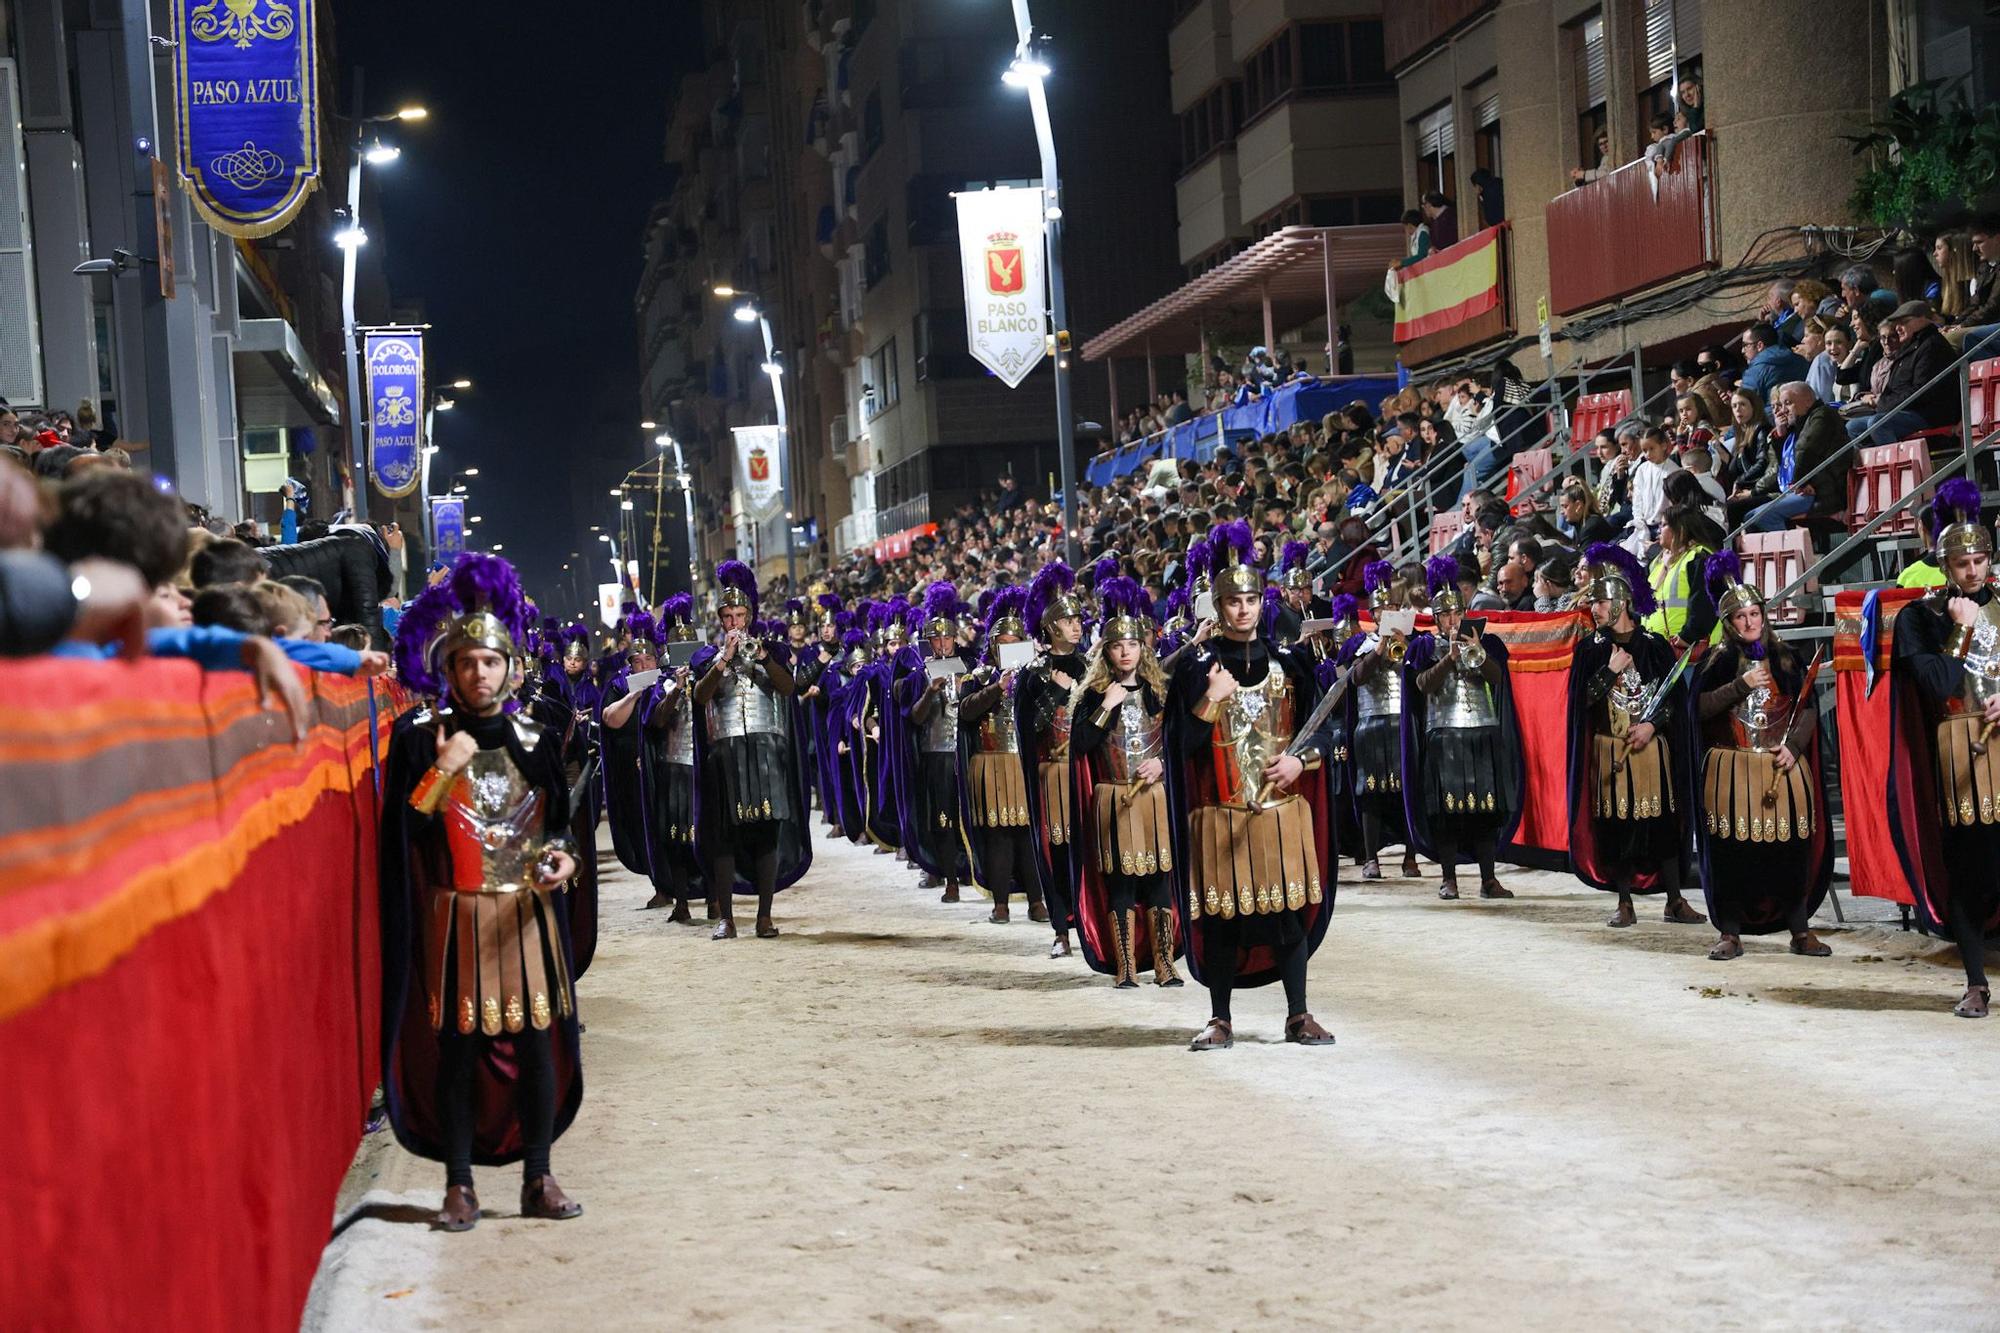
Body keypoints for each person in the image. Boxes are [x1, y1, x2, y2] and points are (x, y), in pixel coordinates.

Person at [378, 554, 585, 1232]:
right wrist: (443, 770)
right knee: (459, 1053)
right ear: (450, 668)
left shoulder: (536, 739)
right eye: (467, 662)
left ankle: (539, 1176)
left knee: (536, 1046)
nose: (480, 673)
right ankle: (459, 1184)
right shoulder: (418, 739)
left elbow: (559, 826)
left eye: (491, 661)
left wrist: (564, 859)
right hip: (456, 917)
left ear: (510, 666)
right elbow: (403, 832)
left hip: (527, 916)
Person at [1172, 522, 1337, 1050]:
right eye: (1233, 601)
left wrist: (1300, 762)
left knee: (1287, 914)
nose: (1242, 609)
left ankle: (1298, 1015)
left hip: (1281, 812)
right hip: (1218, 813)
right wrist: (1210, 700)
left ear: (1262, 603)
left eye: (1250, 600)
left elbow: (1326, 730)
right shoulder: (1197, 668)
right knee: (1223, 917)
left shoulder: (1290, 662)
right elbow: (1179, 744)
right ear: (1218, 606)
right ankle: (1220, 1019)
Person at [1886, 479, 2000, 1017]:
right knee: (1972, 869)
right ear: (1944, 565)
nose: (1973, 571)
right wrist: (1962, 631)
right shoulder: (1920, 617)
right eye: (1962, 563)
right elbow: (1938, 683)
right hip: (1962, 752)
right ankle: (1975, 981)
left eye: (1980, 560)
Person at [1692, 552, 1832, 962]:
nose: (1750, 622)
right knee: (1732, 854)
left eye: (1755, 613)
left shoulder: (1787, 657)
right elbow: (1699, 709)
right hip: (1733, 769)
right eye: (1741, 617)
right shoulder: (1716, 661)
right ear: (1729, 623)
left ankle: (1800, 930)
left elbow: (1807, 709)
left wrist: (1795, 747)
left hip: (1781, 766)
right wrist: (1740, 685)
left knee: (1790, 852)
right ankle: (1730, 933)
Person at [1565, 543, 1708, 930]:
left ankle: (1675, 900)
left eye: (1600, 602)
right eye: (1592, 603)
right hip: (1610, 751)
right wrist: (1610, 671)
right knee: (1617, 828)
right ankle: (1624, 901)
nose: (1594, 609)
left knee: (1664, 824)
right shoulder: (1589, 651)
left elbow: (1674, 700)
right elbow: (1581, 701)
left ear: (1622, 602)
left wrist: (1650, 725)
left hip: (1652, 750)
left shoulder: (1655, 647)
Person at [1067, 577, 1184, 988]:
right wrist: (1106, 706)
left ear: (1142, 648)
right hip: (1114, 798)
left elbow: (1180, 742)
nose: (1125, 652)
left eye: (1132, 644)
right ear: (1107, 651)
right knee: (1121, 882)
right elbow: (1080, 744)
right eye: (1117, 646)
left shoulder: (1160, 692)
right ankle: (1126, 965)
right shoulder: (1092, 695)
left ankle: (1164, 962)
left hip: (1154, 797)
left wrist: (1162, 764)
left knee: (1159, 878)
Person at [691, 560, 812, 939]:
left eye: (740, 616)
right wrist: (725, 658)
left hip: (765, 749)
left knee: (765, 831)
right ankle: (726, 918)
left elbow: (788, 689)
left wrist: (763, 658)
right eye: (728, 617)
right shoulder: (706, 657)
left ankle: (764, 917)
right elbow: (700, 697)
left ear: (750, 616)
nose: (734, 623)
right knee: (724, 835)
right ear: (720, 620)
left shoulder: (770, 649)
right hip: (725, 752)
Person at [1402, 556, 1521, 900]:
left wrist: (1478, 652)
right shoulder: (1425, 646)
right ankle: (1449, 878)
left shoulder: (1486, 643)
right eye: (1446, 615)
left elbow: (1498, 679)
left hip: (1482, 732)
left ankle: (1488, 879)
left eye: (1457, 612)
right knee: (1447, 812)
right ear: (1436, 618)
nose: (1452, 619)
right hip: (1444, 735)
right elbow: (1423, 685)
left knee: (1486, 810)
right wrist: (1449, 658)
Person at [957, 588, 1046, 923]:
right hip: (991, 762)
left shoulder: (1034, 674)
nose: (1007, 648)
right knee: (998, 836)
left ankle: (1036, 900)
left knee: (1027, 834)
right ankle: (1001, 904)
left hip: (1023, 761)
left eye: (1014, 643)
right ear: (993, 646)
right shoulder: (979, 677)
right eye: (1002, 643)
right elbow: (966, 711)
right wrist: (997, 688)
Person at [1019, 560, 1087, 957]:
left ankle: (1091, 926)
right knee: (1055, 852)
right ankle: (1061, 931)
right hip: (1050, 776)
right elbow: (1030, 727)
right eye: (1067, 621)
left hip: (1084, 773)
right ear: (1050, 627)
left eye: (1078, 619)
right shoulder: (1034, 673)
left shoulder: (1090, 666)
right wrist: (1056, 692)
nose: (1076, 626)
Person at [1344, 560, 1420, 881]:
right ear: (1374, 614)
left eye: (1392, 607)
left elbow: (1419, 678)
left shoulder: (1415, 641)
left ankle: (1410, 857)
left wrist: (1405, 647)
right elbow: (1356, 678)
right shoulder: (1359, 643)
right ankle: (1371, 858)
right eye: (1382, 609)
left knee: (1407, 790)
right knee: (1371, 793)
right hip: (1371, 725)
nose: (1387, 611)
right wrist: (1379, 650)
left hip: (1402, 723)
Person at [897, 581, 972, 902]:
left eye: (947, 638)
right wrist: (930, 692)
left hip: (966, 751)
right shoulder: (920, 675)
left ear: (955, 639)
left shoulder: (969, 668)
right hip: (936, 754)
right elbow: (914, 717)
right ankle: (948, 877)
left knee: (969, 815)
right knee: (943, 818)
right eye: (936, 639)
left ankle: (970, 869)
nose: (942, 643)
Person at [1846, 300, 1959, 445]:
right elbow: (1896, 387)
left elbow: (1921, 391)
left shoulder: (1931, 346)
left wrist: (1882, 402)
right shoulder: (1910, 346)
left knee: (1878, 423)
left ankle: (1895, 459)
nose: (1898, 328)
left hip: (1927, 415)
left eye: (1904, 322)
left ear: (1922, 319)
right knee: (1853, 427)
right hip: (1903, 410)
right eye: (1896, 324)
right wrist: (1878, 401)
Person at [1747, 381, 1850, 532]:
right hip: (1810, 488)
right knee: (1749, 516)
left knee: (1761, 517)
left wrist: (1799, 483)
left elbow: (1806, 450)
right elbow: (1785, 463)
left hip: (1825, 492)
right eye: (1781, 405)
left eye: (1788, 403)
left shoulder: (1822, 415)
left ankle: (1794, 546)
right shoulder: (1801, 423)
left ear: (1807, 401)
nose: (1783, 410)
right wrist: (1781, 435)